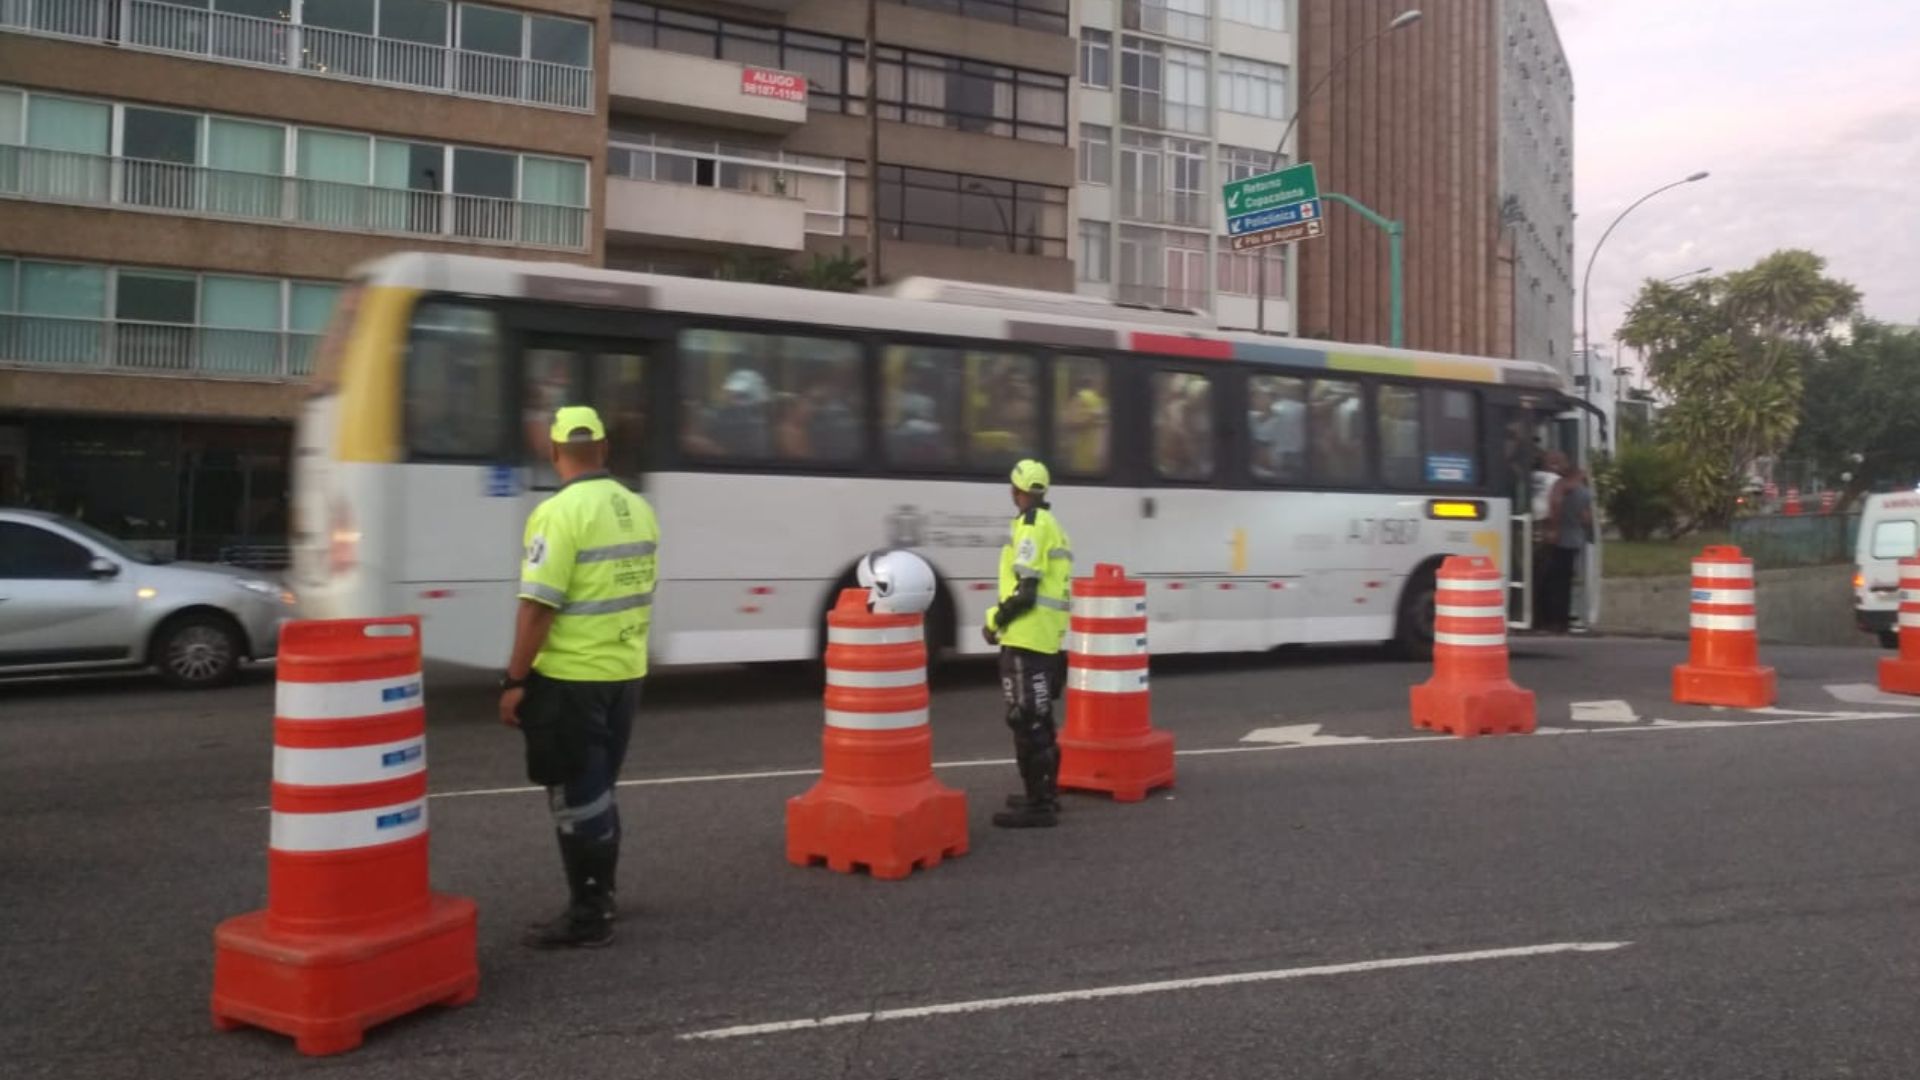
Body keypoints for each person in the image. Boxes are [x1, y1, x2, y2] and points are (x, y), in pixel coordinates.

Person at [498, 406, 660, 949]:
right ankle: (603, 895)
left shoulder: (557, 513)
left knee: (577, 796)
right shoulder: (639, 510)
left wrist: (514, 680)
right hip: (625, 673)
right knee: (600, 790)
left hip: (571, 677)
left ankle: (590, 915)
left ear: (554, 451)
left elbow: (538, 607)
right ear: (605, 450)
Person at [982, 459, 1074, 829]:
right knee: (1040, 720)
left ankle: (1039, 805)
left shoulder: (1033, 527)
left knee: (1025, 719)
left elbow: (1026, 591)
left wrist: (994, 621)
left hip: (1026, 635)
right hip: (1043, 637)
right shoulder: (1049, 524)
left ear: (1015, 491)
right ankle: (1045, 795)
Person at [1541, 455, 1593, 633]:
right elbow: (1586, 518)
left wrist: (1553, 528)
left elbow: (1555, 503)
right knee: (1565, 582)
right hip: (1575, 540)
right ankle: (1562, 619)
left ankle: (1553, 620)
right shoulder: (1584, 491)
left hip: (1560, 539)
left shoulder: (1560, 485)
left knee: (1553, 581)